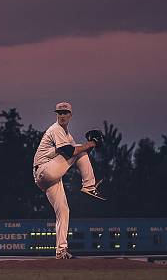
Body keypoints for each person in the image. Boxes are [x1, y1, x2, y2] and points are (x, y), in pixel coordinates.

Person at [32, 101, 105, 259]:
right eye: (59, 112)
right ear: (56, 114)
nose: (62, 115)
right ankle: (89, 186)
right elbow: (70, 151)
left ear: (70, 115)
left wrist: (89, 147)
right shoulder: (56, 129)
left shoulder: (67, 136)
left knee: (63, 211)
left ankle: (61, 250)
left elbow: (80, 154)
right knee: (78, 149)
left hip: (49, 177)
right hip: (45, 170)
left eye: (65, 112)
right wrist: (92, 143)